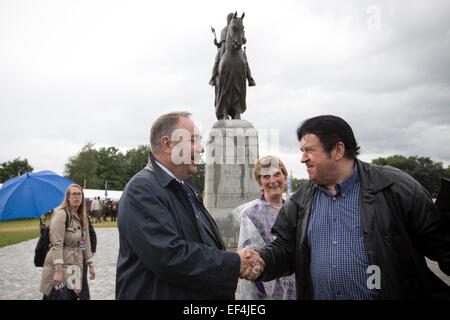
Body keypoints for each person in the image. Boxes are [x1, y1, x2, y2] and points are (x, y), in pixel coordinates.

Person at [253, 115, 450, 300]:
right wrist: (260, 260)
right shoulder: (300, 200)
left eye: (309, 150)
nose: (303, 158)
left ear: (338, 150)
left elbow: (442, 244)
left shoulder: (394, 187)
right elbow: (287, 248)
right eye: (302, 151)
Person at [115, 111, 264, 299]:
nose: (201, 149)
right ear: (168, 145)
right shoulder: (141, 190)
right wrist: (234, 263)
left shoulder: (184, 186)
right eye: (193, 141)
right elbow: (170, 257)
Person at [233, 155, 296, 300]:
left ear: (285, 178)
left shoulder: (296, 209)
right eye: (266, 176)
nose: (273, 180)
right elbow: (250, 261)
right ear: (260, 183)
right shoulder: (251, 214)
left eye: (277, 174)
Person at [40, 184, 95, 300]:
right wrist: (58, 271)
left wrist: (90, 265)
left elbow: (86, 242)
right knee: (57, 296)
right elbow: (57, 244)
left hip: (75, 266)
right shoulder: (61, 214)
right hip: (61, 264)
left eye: (79, 194)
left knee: (72, 296)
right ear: (68, 197)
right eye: (73, 194)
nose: (77, 197)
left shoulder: (82, 216)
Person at [209, 12, 255, 87]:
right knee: (217, 61)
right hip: (224, 47)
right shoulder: (223, 30)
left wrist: (242, 39)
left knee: (245, 62)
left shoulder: (236, 27)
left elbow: (243, 39)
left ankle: (250, 78)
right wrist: (216, 43)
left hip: (236, 46)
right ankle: (213, 78)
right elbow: (220, 43)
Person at [79, 215, 97, 300]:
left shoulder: (83, 216)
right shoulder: (61, 216)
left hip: (81, 256)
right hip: (66, 258)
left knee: (82, 284)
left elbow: (91, 233)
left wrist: (91, 252)